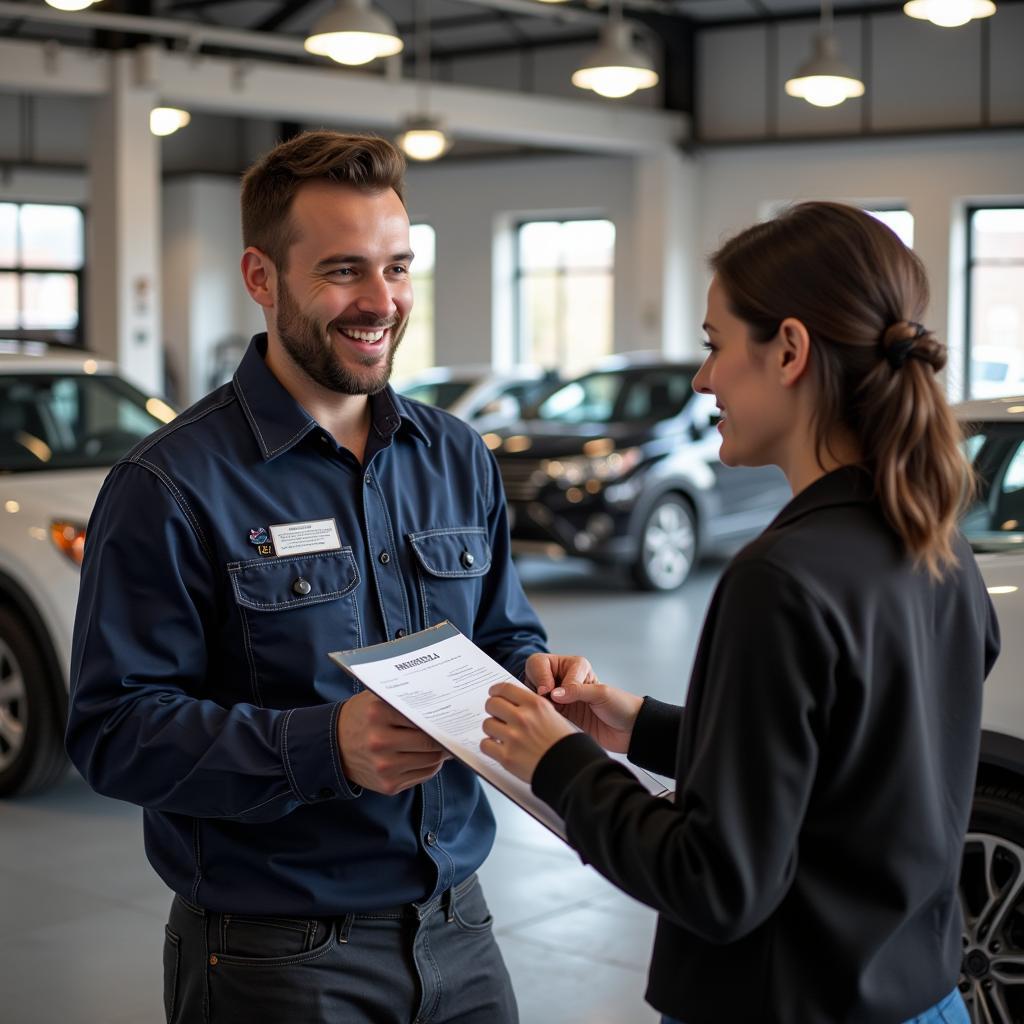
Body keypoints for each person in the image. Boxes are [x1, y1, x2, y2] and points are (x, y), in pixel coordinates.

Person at [66, 130, 591, 1024]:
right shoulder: (170, 485)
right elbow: (114, 730)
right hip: (276, 956)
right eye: (344, 271)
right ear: (261, 278)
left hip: (461, 926)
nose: (380, 301)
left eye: (398, 267)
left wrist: (538, 675)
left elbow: (502, 632)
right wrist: (325, 747)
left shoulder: (455, 454)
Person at [481, 201, 1000, 1024]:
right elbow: (849, 762)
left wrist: (561, 763)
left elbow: (715, 884)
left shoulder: (782, 579)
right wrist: (637, 724)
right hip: (922, 998)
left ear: (789, 350)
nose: (702, 380)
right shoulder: (936, 544)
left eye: (716, 346)